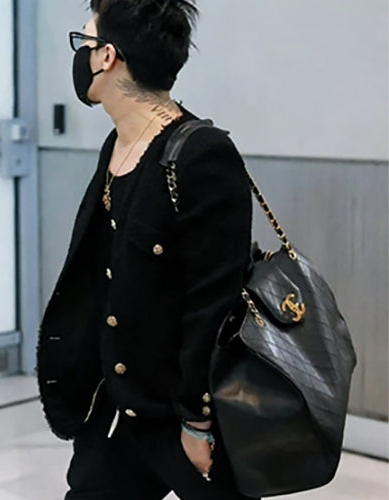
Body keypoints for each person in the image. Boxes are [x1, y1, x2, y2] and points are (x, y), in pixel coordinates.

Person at [36, 1, 257, 498]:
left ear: (107, 56)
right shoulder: (117, 145)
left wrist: (198, 422)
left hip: (186, 414)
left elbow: (215, 301)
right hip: (119, 407)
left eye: (84, 41)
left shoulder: (201, 154)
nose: (80, 55)